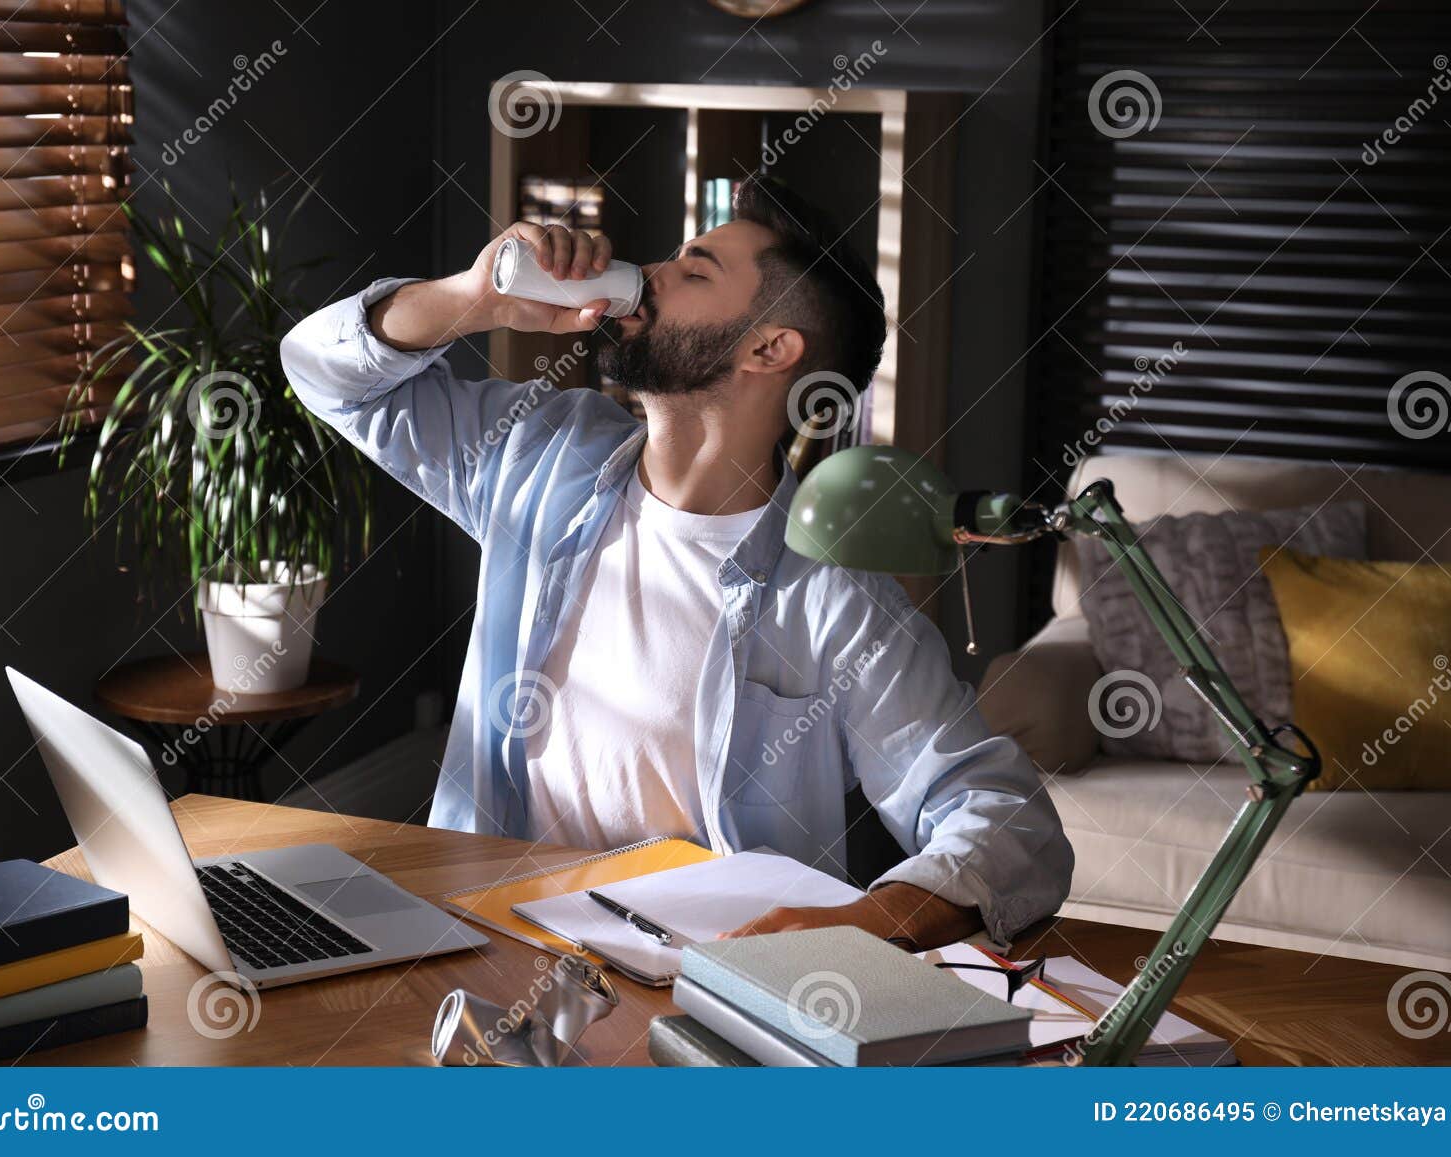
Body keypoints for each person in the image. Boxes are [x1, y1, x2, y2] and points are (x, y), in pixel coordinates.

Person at [281, 176, 1071, 950]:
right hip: (477, 934)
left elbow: (1003, 816)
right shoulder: (538, 454)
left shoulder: (836, 599)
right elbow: (322, 371)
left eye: (693, 271)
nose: (649, 276)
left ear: (769, 348)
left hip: (691, 988)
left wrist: (860, 928)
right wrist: (472, 299)